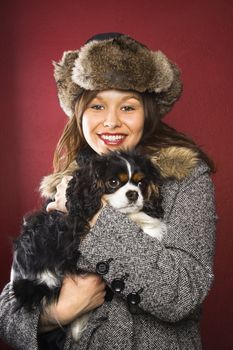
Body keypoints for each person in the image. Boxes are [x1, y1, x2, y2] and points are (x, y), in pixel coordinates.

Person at [0, 32, 216, 350]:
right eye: (98, 105)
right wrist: (57, 313)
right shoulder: (65, 185)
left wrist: (94, 219)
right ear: (79, 113)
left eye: (127, 108)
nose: (111, 122)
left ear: (147, 113)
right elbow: (8, 312)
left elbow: (182, 293)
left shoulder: (185, 180)